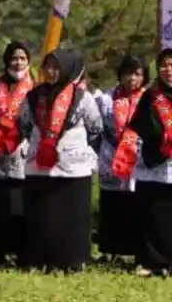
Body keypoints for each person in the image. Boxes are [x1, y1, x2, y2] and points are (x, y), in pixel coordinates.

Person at [18, 48, 102, 272]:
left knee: (72, 217)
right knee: (43, 215)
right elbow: (23, 124)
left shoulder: (82, 97)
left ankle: (72, 261)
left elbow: (95, 128)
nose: (52, 72)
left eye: (57, 67)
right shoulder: (33, 96)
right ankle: (40, 259)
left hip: (73, 167)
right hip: (40, 166)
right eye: (48, 67)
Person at [113, 48, 172, 277]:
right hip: (155, 162)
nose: (169, 70)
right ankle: (155, 262)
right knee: (155, 214)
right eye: (164, 65)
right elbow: (139, 126)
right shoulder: (151, 96)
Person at [0, 41, 33, 267]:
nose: (18, 62)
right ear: (6, 61)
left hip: (23, 155)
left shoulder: (36, 88)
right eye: (14, 58)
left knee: (21, 207)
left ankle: (21, 253)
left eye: (22, 58)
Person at [96, 55, 146, 263]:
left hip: (140, 160)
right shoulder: (106, 99)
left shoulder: (151, 99)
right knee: (112, 205)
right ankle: (110, 250)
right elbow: (96, 129)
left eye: (137, 74)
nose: (131, 78)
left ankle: (138, 251)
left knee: (138, 206)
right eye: (128, 73)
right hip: (111, 159)